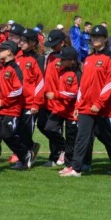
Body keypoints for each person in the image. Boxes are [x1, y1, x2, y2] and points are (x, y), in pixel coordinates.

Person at [61, 25, 111, 178]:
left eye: (99, 37)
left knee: (108, 138)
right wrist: (78, 104)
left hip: (103, 108)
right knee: (81, 137)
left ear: (105, 39)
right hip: (86, 107)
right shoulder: (89, 59)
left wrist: (99, 103)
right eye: (93, 37)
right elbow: (83, 85)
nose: (96, 39)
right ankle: (76, 168)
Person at [0, 41, 32, 170]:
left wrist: (4, 101)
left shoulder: (15, 69)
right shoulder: (0, 68)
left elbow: (18, 90)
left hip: (11, 109)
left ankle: (25, 153)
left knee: (7, 135)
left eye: (1, 50)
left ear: (9, 52)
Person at [12, 28, 44, 168]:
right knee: (16, 131)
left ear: (32, 43)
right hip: (17, 102)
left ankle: (26, 159)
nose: (21, 44)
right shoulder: (17, 57)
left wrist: (36, 104)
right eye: (21, 41)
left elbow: (40, 83)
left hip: (31, 103)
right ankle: (28, 152)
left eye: (25, 41)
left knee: (25, 131)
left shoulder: (38, 59)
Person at [51, 46, 83, 175]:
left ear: (72, 61)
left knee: (72, 138)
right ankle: (64, 151)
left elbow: (75, 93)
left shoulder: (77, 74)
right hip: (61, 108)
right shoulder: (62, 72)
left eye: (63, 60)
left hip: (73, 111)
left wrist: (57, 95)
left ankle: (70, 165)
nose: (60, 62)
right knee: (49, 127)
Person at [38, 30, 67, 167]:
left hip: (57, 99)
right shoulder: (50, 56)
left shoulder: (66, 57)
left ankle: (57, 155)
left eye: (55, 44)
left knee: (53, 128)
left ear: (62, 43)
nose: (52, 47)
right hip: (46, 99)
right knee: (42, 125)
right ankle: (63, 148)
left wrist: (58, 95)